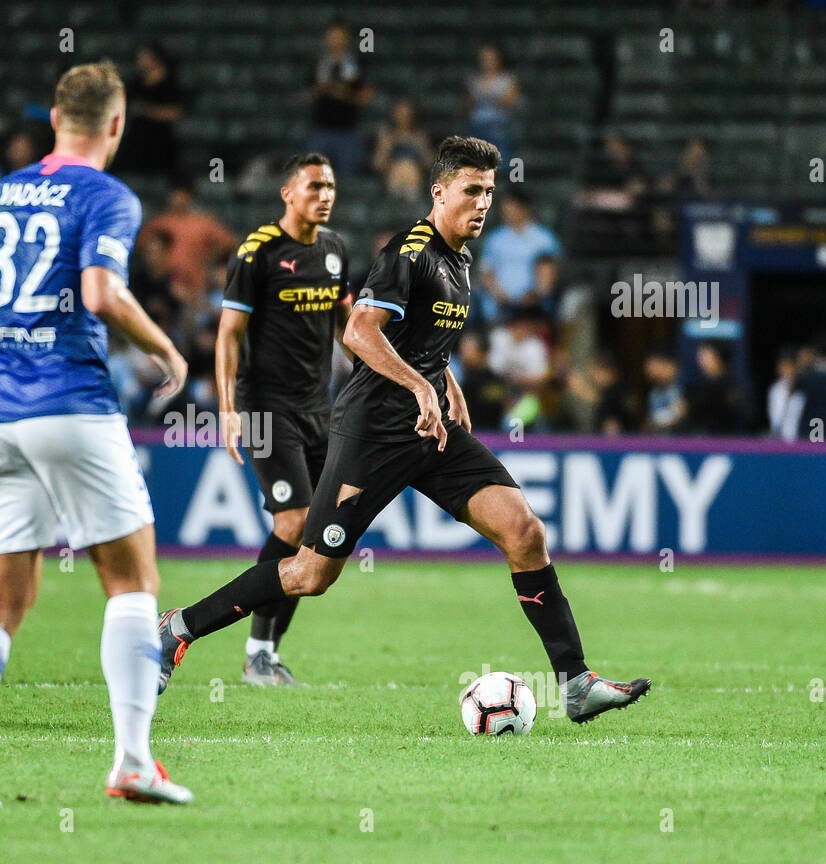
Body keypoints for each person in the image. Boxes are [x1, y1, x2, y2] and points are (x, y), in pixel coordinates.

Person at [155, 136, 651, 726]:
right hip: (376, 430)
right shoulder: (408, 252)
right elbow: (359, 333)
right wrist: (420, 386)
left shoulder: (461, 260)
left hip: (432, 428)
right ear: (438, 193)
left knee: (524, 532)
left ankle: (574, 681)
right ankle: (178, 628)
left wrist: (445, 384)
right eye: (472, 190)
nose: (483, 202)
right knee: (311, 573)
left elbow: (424, 342)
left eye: (489, 192)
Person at [0, 61, 193, 807]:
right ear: (116, 125)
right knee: (132, 579)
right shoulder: (107, 195)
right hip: (73, 403)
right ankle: (134, 760)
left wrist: (2, 368)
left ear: (53, 118)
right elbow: (102, 292)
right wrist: (165, 348)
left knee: (1, 598)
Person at [208, 152, 350, 687]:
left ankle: (265, 651)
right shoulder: (258, 252)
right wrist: (226, 407)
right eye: (314, 186)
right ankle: (257, 652)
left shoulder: (334, 251)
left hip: (320, 408)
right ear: (288, 193)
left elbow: (347, 328)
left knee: (314, 538)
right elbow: (229, 334)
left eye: (331, 186)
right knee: (293, 523)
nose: (325, 195)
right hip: (267, 408)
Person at [137, 183, 235, 297]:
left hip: (197, 285)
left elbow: (230, 242)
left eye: (181, 194)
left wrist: (211, 258)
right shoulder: (159, 222)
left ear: (190, 196)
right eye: (175, 194)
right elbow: (140, 245)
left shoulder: (203, 222)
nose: (178, 199)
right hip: (164, 287)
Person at [477, 192, 561, 324]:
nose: (508, 213)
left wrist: (535, 296)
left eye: (512, 209)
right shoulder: (494, 239)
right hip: (499, 309)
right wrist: (499, 294)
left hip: (534, 311)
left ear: (525, 208)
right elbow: (486, 271)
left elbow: (550, 275)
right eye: (505, 210)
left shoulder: (544, 238)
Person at [306, 21, 372, 176]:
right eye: (333, 37)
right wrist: (321, 90)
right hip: (320, 129)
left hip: (348, 130)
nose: (337, 41)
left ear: (347, 39)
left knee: (348, 176)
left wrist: (345, 94)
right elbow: (306, 96)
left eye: (340, 37)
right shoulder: (317, 64)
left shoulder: (357, 65)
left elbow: (366, 97)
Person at [117, 42, 185, 176]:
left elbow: (174, 112)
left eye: (144, 57)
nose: (140, 61)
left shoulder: (170, 84)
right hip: (137, 141)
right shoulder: (136, 83)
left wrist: (146, 110)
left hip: (160, 143)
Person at [464, 43, 519, 159]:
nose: (488, 62)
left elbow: (511, 101)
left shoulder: (507, 79)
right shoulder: (474, 80)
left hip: (498, 125)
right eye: (484, 59)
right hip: (477, 124)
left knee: (498, 155)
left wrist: (489, 97)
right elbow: (467, 104)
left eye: (491, 58)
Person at [372, 99, 434, 199]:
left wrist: (420, 146)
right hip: (392, 179)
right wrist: (387, 145)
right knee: (401, 167)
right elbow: (377, 165)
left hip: (414, 182)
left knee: (408, 167)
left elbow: (430, 164)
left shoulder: (421, 136)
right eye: (400, 113)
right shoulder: (387, 135)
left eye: (407, 113)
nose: (403, 117)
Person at [682, 340, 746, 435]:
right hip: (696, 439)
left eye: (704, 354)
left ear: (717, 356)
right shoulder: (695, 385)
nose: (699, 358)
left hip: (726, 440)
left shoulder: (734, 385)